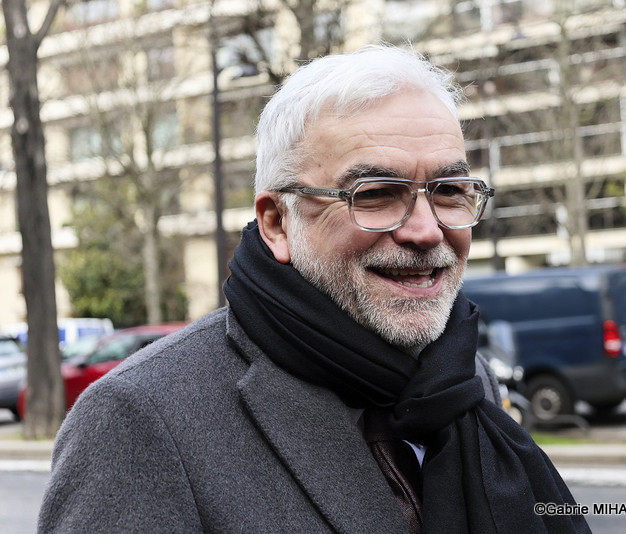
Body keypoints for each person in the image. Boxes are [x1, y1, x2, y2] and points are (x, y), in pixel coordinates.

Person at [38, 45, 589, 533]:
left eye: (448, 190)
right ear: (277, 222)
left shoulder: (463, 379)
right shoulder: (138, 420)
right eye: (375, 193)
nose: (425, 230)